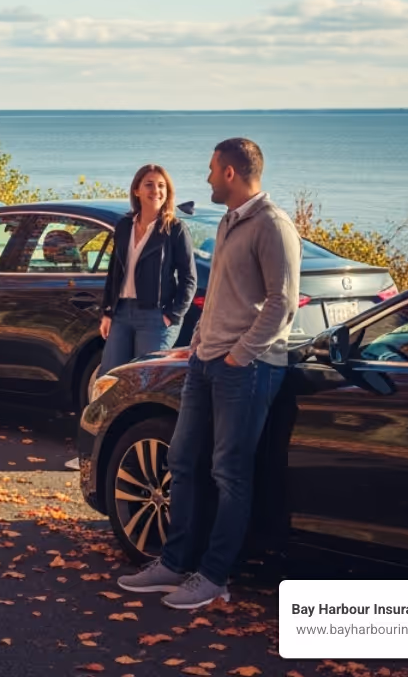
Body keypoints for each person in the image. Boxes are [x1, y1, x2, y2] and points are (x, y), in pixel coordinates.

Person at [118, 138, 301, 610]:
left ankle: (215, 577)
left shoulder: (273, 226)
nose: (206, 177)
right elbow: (220, 292)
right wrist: (196, 345)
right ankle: (173, 563)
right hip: (205, 361)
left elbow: (282, 304)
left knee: (229, 473)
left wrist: (240, 354)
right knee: (181, 460)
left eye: (212, 170)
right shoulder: (227, 221)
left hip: (248, 369)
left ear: (231, 175)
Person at [98, 164, 197, 375]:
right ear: (137, 190)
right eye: (149, 185)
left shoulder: (175, 229)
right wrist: (108, 312)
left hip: (156, 317)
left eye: (161, 186)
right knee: (110, 377)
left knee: (146, 381)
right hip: (122, 313)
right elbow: (114, 272)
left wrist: (172, 315)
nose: (156, 191)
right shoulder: (124, 226)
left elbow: (189, 279)